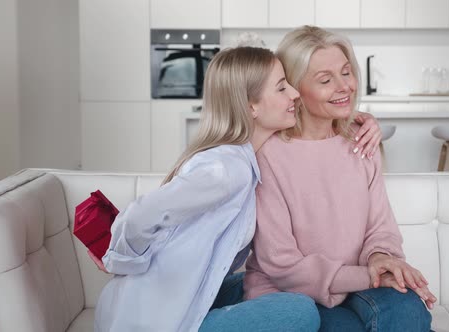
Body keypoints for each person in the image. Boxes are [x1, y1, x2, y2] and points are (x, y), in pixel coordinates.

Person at [93, 46, 383, 331]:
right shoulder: (227, 169)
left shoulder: (246, 158)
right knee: (298, 310)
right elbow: (141, 214)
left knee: (277, 293)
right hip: (156, 320)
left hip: (189, 291)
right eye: (281, 88)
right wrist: (118, 259)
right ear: (251, 106)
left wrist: (359, 119)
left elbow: (319, 128)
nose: (294, 93)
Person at [243, 26, 436, 332]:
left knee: (410, 312)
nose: (344, 86)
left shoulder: (363, 143)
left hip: (361, 282)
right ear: (294, 89)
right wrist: (370, 275)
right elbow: (283, 265)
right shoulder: (268, 155)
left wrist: (381, 258)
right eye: (325, 79)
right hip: (292, 294)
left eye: (346, 72)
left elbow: (381, 227)